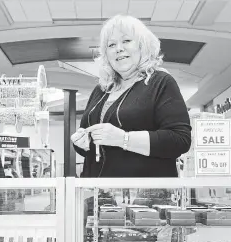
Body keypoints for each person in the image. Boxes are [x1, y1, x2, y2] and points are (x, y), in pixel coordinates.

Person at [71, 15, 191, 178]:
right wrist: (82, 144)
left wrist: (123, 139)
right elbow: (89, 142)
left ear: (143, 46)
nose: (118, 48)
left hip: (147, 197)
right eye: (111, 45)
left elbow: (179, 140)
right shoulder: (101, 89)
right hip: (98, 194)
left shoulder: (160, 82)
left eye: (126, 41)